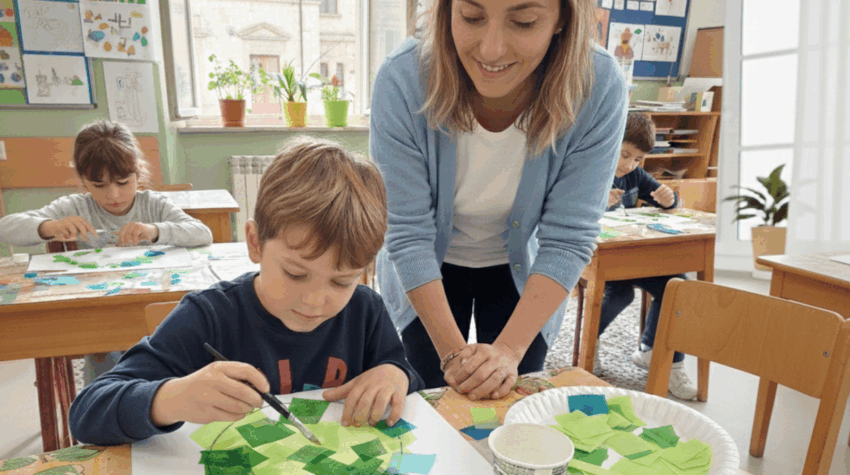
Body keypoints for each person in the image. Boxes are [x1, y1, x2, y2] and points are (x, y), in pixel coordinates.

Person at [68, 136, 424, 445]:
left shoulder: (366, 310)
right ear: (255, 242)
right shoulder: (209, 317)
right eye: (296, 274)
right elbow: (87, 413)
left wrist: (396, 373)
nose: (316, 300)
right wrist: (170, 399)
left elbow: (408, 381)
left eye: (342, 281)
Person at [370, 0, 627, 399]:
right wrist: (454, 354)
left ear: (562, 19)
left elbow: (569, 237)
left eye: (523, 22)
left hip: (523, 268)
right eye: (471, 18)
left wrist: (509, 350)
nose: (491, 50)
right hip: (422, 270)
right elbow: (407, 233)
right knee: (425, 396)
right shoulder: (402, 77)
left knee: (512, 402)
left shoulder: (597, 83)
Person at [0, 120, 213, 385]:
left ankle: (155, 395)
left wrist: (154, 230)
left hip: (150, 308)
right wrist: (49, 226)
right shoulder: (75, 206)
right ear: (83, 181)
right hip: (99, 315)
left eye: (123, 182)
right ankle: (106, 399)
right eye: (99, 185)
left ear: (138, 172)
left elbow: (202, 233)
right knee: (104, 359)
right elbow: (6, 228)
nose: (113, 195)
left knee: (161, 353)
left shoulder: (153, 205)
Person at [596, 111, 695, 400]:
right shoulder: (593, 169)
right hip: (599, 259)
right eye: (624, 155)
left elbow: (664, 198)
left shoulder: (635, 174)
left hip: (633, 256)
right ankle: (588, 343)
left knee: (678, 286)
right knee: (621, 294)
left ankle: (656, 354)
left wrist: (670, 199)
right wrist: (599, 203)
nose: (630, 165)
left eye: (638, 159)